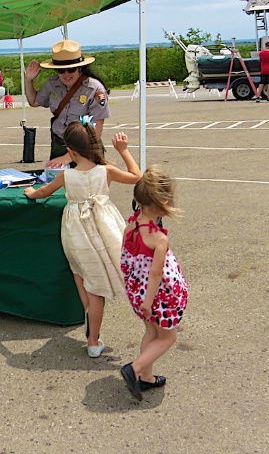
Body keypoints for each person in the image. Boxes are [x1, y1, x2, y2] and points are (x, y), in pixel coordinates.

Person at [23, 121, 142, 358]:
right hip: (103, 229)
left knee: (83, 278)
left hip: (77, 232)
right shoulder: (105, 170)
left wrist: (31, 192)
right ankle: (92, 338)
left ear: (71, 150)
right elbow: (136, 176)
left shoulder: (67, 175)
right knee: (96, 285)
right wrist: (123, 150)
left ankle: (92, 334)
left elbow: (43, 192)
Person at [119, 165, 188, 400]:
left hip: (137, 291)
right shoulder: (158, 238)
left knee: (151, 330)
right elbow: (156, 274)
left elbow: (128, 260)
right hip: (156, 297)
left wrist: (141, 299)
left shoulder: (131, 225)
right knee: (168, 336)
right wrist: (149, 302)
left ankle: (146, 377)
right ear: (162, 203)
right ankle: (135, 369)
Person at [24, 40, 110, 167]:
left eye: (71, 69)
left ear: (79, 68)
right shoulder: (53, 83)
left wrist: (69, 156)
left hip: (86, 149)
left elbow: (96, 129)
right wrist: (29, 80)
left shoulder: (94, 89)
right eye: (61, 70)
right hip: (59, 144)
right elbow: (34, 101)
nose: (66, 74)